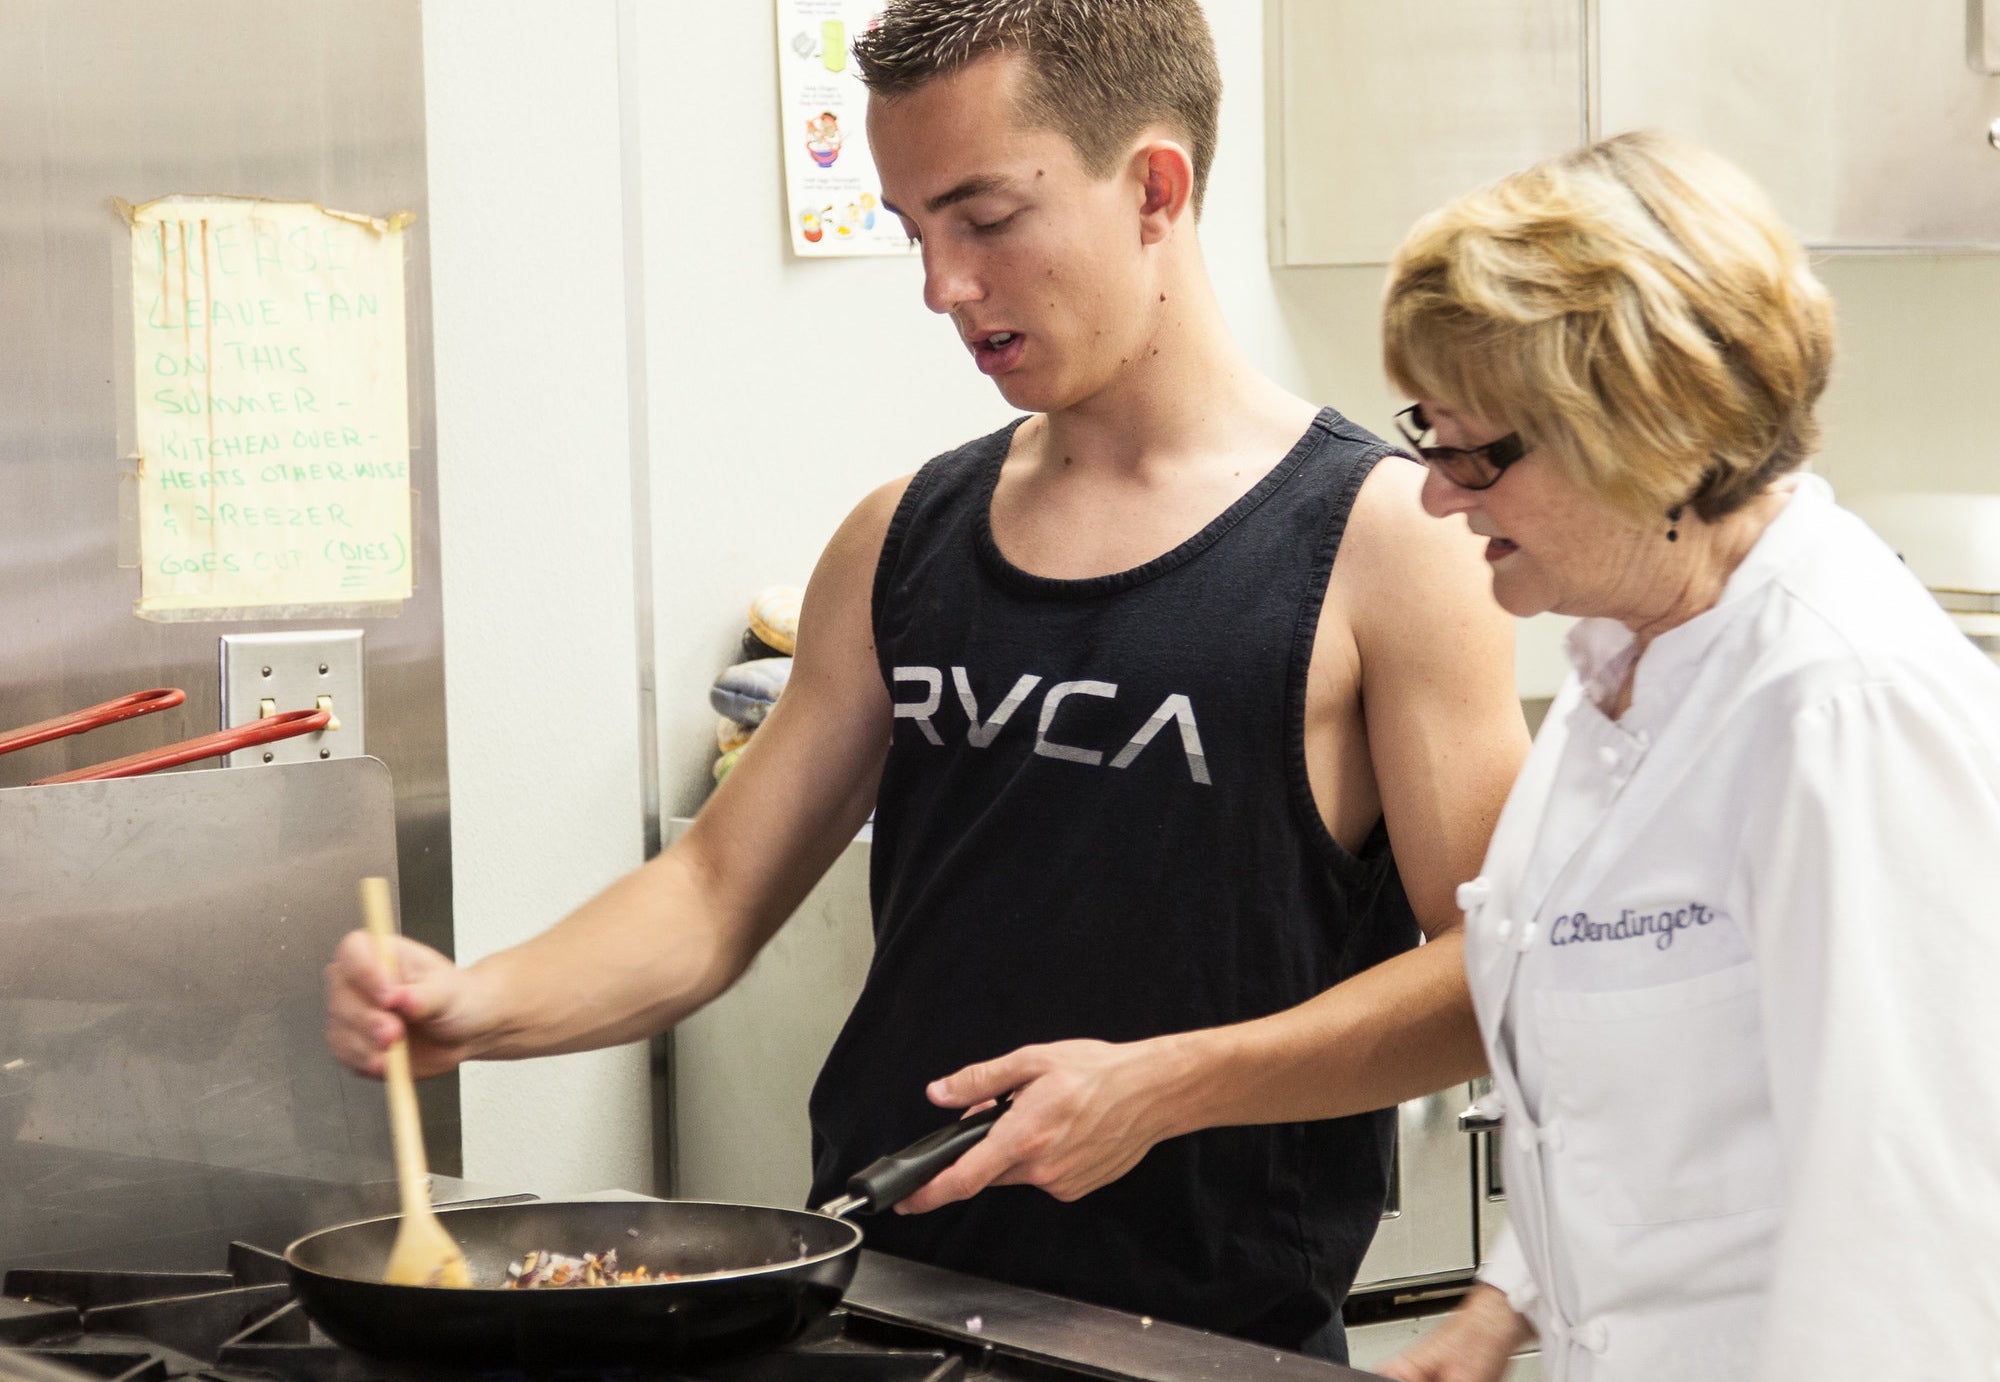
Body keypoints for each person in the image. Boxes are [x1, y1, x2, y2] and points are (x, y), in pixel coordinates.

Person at [325, 0, 1529, 1360]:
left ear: (1154, 186)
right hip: (874, 1312)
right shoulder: (902, 534)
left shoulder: (1389, 543)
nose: (941, 285)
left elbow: (1494, 969)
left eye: (985, 218)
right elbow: (713, 893)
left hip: (1203, 1340)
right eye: (912, 227)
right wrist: (477, 1004)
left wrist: (1165, 1087)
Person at [1372, 130, 2000, 1382]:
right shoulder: (1628, 655)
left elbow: (1917, 1240)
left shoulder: (1842, 707)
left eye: (1475, 448)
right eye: (1426, 433)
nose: (1437, 494)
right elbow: (1649, 1111)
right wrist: (1503, 1306)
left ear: (1645, 434)